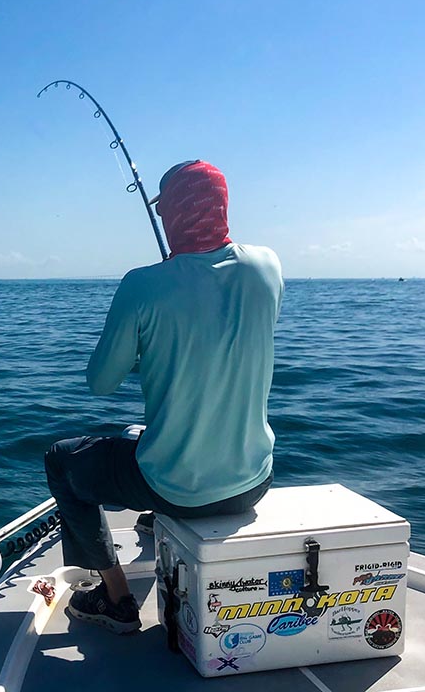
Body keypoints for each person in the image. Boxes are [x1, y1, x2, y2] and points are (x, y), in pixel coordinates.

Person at [44, 160, 284, 634]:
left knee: (62, 461)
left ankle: (114, 599)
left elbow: (100, 383)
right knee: (145, 435)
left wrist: (144, 351)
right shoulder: (268, 266)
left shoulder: (142, 284)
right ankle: (159, 522)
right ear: (221, 205)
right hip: (253, 481)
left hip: (177, 489)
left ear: (170, 213)